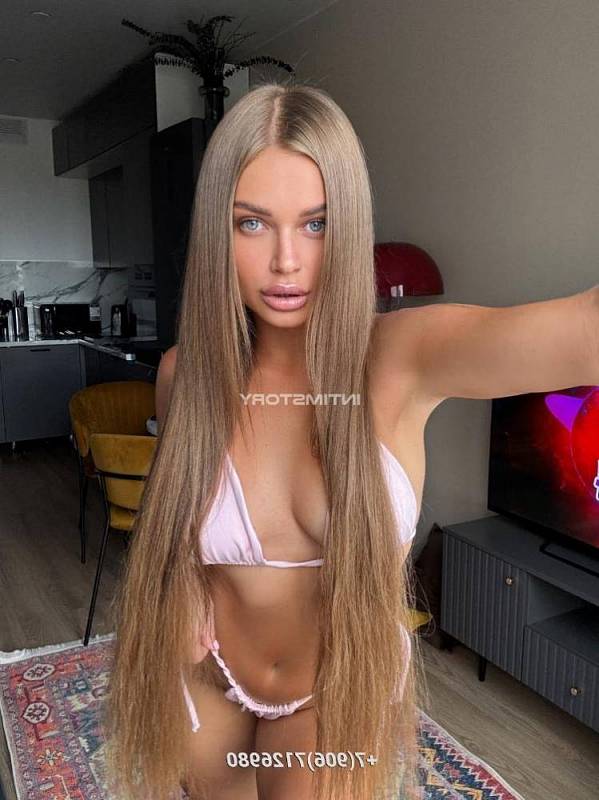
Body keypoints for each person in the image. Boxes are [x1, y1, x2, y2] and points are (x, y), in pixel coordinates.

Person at [103, 81, 599, 800]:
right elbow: (174, 524)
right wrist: (179, 590)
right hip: (206, 676)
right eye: (251, 223)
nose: (285, 261)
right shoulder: (185, 375)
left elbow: (584, 330)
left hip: (332, 689)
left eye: (316, 224)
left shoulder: (402, 356)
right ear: (216, 232)